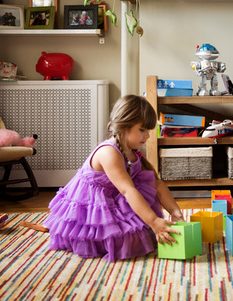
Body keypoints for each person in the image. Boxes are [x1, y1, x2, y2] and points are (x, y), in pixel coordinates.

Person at [45, 95, 185, 261]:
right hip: (91, 206)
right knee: (126, 240)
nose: (147, 135)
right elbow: (127, 190)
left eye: (148, 130)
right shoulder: (109, 152)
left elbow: (157, 184)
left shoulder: (133, 150)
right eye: (142, 130)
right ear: (124, 126)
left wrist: (175, 212)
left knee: (142, 232)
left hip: (115, 197)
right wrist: (154, 222)